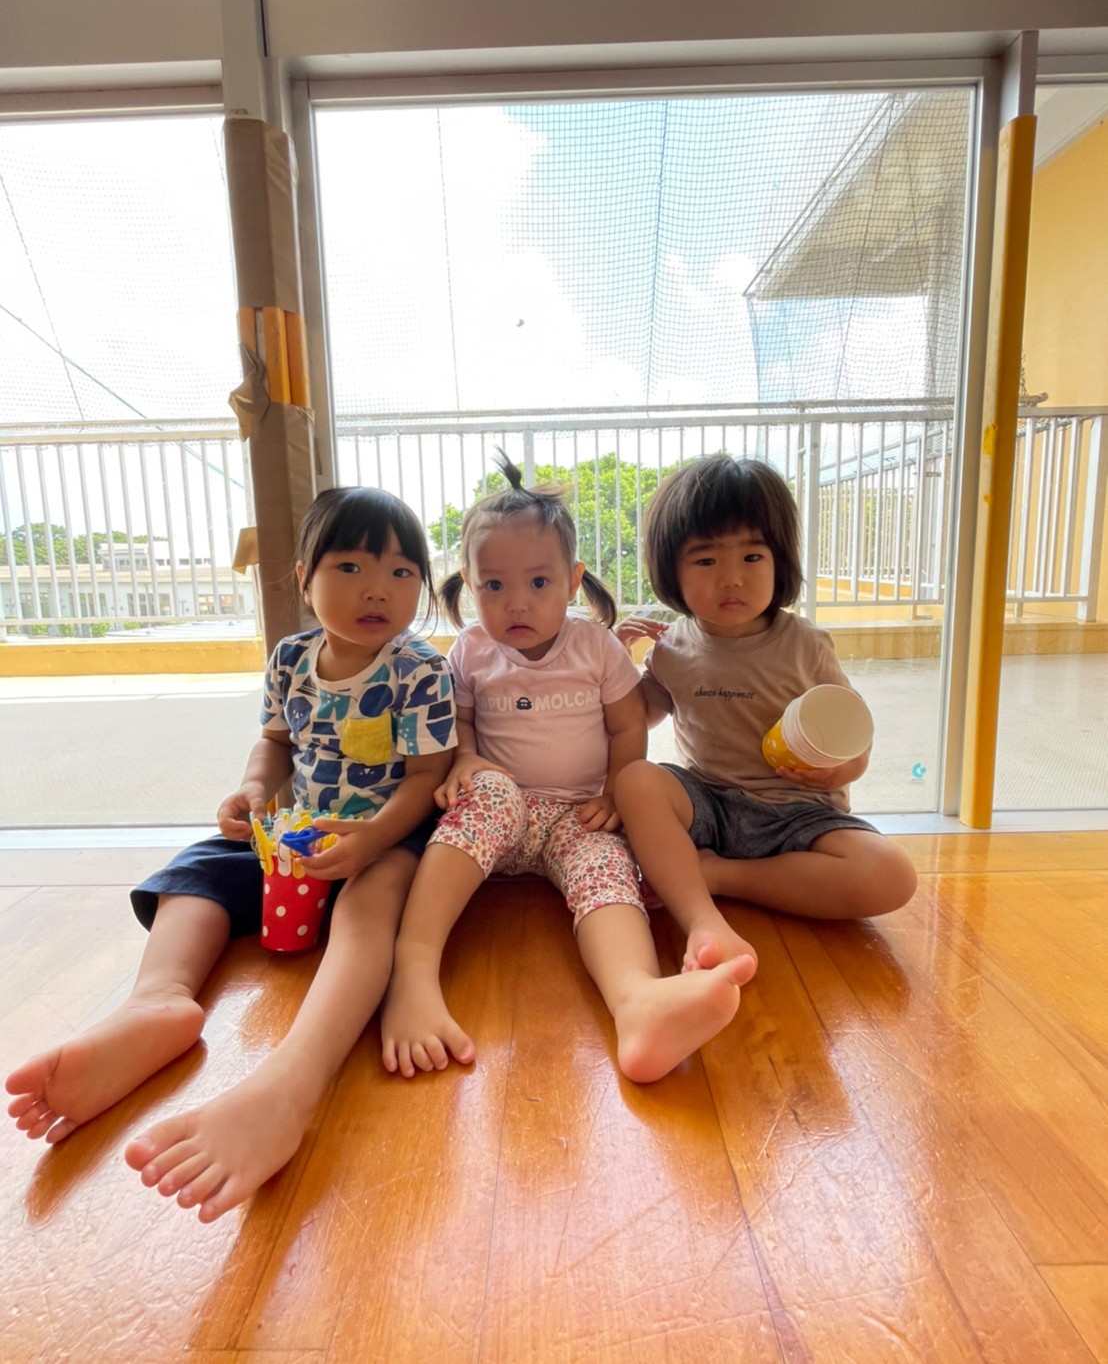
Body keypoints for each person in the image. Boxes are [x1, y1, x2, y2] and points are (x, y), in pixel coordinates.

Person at [6, 487, 456, 1222]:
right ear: (304, 578)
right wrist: (252, 791)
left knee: (370, 909)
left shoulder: (420, 670)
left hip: (387, 837)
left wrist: (372, 838)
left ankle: (291, 1080)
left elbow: (426, 777)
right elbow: (276, 744)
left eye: (402, 572)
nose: (378, 588)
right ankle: (157, 1003)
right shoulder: (291, 659)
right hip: (296, 832)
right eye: (350, 566)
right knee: (196, 872)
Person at [381, 454, 755, 1086]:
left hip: (577, 814)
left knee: (607, 869)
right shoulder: (471, 649)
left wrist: (615, 792)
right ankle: (411, 975)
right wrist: (467, 758)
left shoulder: (594, 646)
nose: (516, 602)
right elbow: (462, 721)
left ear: (573, 580)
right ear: (470, 585)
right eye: (493, 586)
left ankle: (637, 1002)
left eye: (538, 582)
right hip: (499, 812)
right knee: (489, 792)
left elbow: (627, 726)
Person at [614, 455, 917, 979]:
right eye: (706, 561)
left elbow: (853, 735)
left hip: (800, 812)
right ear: (671, 571)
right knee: (637, 779)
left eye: (752, 556)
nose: (731, 578)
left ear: (781, 560)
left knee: (892, 875)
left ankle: (717, 876)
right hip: (710, 804)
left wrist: (839, 771)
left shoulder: (806, 645)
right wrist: (614, 664)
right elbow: (638, 718)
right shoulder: (671, 650)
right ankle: (702, 918)